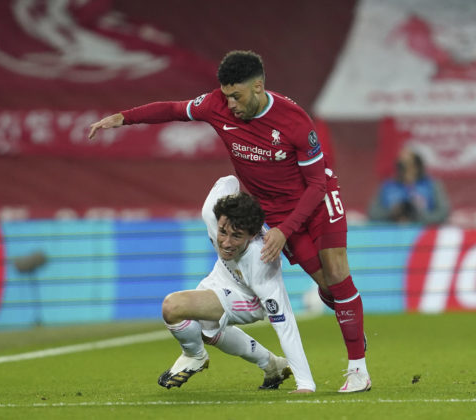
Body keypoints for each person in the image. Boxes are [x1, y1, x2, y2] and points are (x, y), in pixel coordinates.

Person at [89, 50, 371, 392]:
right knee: (328, 286)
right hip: (277, 212)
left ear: (258, 86)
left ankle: (358, 368)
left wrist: (284, 231)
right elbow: (175, 110)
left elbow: (315, 185)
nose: (231, 104)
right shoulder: (215, 105)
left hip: (317, 199)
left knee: (337, 271)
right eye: (226, 96)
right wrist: (124, 117)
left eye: (236, 96)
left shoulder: (294, 121)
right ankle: (350, 317)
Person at [158, 175, 315, 393]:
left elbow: (285, 323)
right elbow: (229, 179)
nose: (226, 242)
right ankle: (272, 365)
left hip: (249, 297)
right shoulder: (211, 212)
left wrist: (305, 384)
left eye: (237, 236)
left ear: (252, 235)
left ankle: (195, 356)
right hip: (221, 276)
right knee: (202, 331)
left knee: (173, 306)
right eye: (223, 232)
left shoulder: (262, 260)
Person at [368, 147, 450, 224]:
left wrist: (418, 216)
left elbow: (443, 213)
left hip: (423, 231)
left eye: (410, 164)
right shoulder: (387, 186)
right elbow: (373, 214)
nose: (406, 169)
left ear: (418, 166)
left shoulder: (432, 185)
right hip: (391, 231)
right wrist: (393, 212)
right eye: (402, 165)